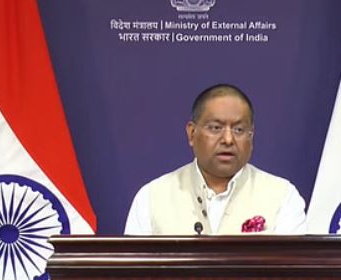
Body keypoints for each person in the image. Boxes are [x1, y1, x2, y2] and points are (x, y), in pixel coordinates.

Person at [124, 83, 307, 235]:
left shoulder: (283, 197)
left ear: (251, 137)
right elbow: (133, 268)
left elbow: (292, 267)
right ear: (192, 133)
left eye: (239, 130)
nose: (228, 139)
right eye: (215, 128)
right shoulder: (151, 198)